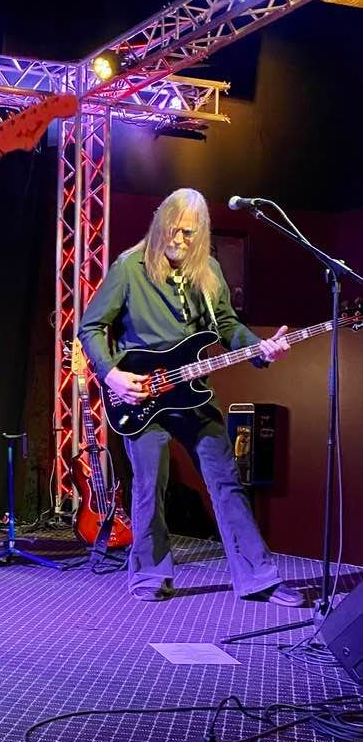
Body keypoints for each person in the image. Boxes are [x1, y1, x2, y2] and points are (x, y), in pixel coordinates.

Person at [78, 188, 303, 606]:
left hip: (192, 394)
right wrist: (112, 375)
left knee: (226, 480)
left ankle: (258, 578)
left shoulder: (209, 271)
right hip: (141, 395)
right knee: (150, 485)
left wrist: (259, 348)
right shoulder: (129, 267)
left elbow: (227, 326)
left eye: (189, 233)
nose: (179, 239)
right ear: (159, 224)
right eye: (174, 229)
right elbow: (90, 327)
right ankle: (151, 575)